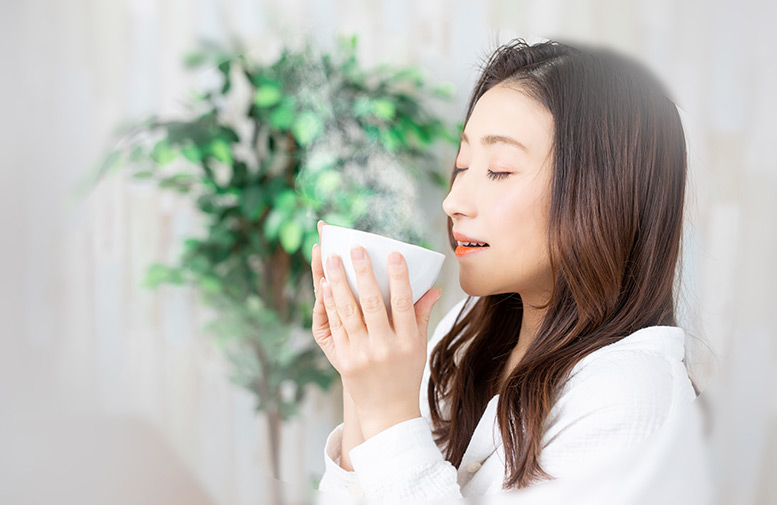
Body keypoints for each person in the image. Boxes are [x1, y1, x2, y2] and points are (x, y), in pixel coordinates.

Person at [309, 38, 699, 502]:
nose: (453, 202)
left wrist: (389, 410)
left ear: (603, 194)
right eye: (463, 164)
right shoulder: (469, 329)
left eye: (499, 170)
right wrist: (363, 383)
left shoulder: (634, 398)